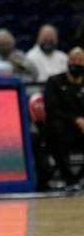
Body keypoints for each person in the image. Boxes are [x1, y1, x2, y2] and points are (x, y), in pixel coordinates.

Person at [43, 47, 84, 190]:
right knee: (56, 128)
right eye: (73, 60)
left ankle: (78, 179)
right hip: (62, 130)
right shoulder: (54, 81)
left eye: (80, 61)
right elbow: (52, 110)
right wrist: (76, 119)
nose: (76, 63)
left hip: (81, 131)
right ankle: (70, 179)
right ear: (67, 61)